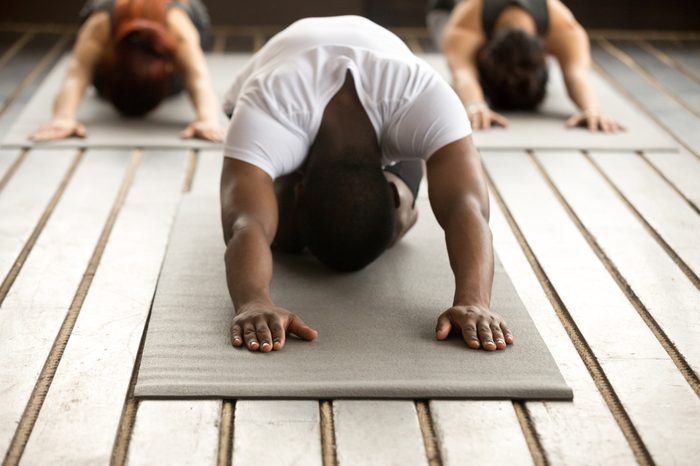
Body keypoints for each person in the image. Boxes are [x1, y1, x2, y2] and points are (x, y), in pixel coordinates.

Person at [220, 16, 513, 354]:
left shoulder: (423, 98)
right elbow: (247, 223)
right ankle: (297, 218)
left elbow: (467, 205)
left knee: (381, 221)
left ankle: (383, 214)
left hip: (385, 102)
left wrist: (474, 301)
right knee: (279, 234)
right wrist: (253, 302)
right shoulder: (267, 106)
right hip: (279, 84)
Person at [30, 0, 223, 142]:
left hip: (177, 27)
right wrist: (62, 118)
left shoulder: (178, 27)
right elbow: (76, 74)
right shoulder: (100, 24)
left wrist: (208, 119)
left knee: (184, 73)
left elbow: (198, 78)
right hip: (112, 38)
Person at [427, 0, 624, 132]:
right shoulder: (462, 24)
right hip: (446, 8)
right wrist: (474, 104)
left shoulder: (564, 27)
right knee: (449, 42)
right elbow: (462, 73)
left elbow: (577, 74)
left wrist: (593, 108)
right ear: (546, 57)